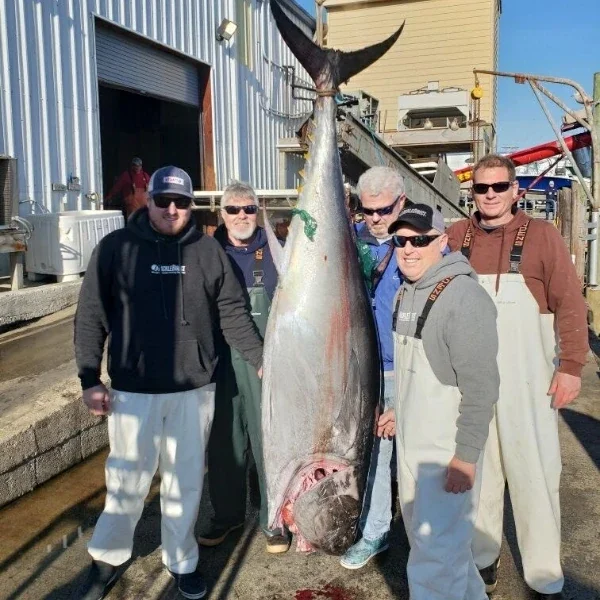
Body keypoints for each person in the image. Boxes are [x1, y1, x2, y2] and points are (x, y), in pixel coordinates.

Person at [74, 166, 264, 600]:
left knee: (186, 482)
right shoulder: (115, 249)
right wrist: (89, 377)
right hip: (132, 392)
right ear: (150, 201)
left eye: (182, 202)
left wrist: (260, 358)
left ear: (191, 206)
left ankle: (182, 560)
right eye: (164, 201)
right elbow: (90, 318)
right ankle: (109, 557)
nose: (173, 209)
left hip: (194, 391)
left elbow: (232, 312)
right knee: (127, 479)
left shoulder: (206, 251)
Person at [447, 154, 589, 599]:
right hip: (469, 380)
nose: (490, 195)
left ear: (515, 189)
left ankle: (545, 573)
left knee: (535, 472)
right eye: (481, 189)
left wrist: (571, 367)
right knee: (478, 473)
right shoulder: (454, 236)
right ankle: (481, 558)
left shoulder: (543, 236)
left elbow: (570, 305)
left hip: (526, 379)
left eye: (499, 187)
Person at [379, 203, 499, 600]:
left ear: (442, 241)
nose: (409, 248)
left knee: (434, 563)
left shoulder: (464, 298)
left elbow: (481, 388)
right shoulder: (403, 294)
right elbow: (424, 375)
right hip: (412, 451)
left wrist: (465, 459)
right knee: (445, 554)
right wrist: (401, 410)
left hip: (447, 456)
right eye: (401, 240)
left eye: (421, 239)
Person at [198, 180, 290, 554]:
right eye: (233, 209)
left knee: (270, 440)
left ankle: (274, 518)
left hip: (266, 362)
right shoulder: (206, 251)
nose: (241, 216)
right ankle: (228, 515)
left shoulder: (278, 250)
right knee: (225, 444)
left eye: (248, 209)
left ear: (259, 210)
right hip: (220, 364)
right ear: (221, 214)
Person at [340, 166, 410, 569]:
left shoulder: (419, 241)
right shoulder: (353, 241)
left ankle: (432, 537)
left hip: (409, 368)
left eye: (384, 209)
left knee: (419, 458)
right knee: (374, 455)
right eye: (368, 211)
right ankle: (376, 531)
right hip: (365, 370)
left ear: (401, 201)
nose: (376, 218)